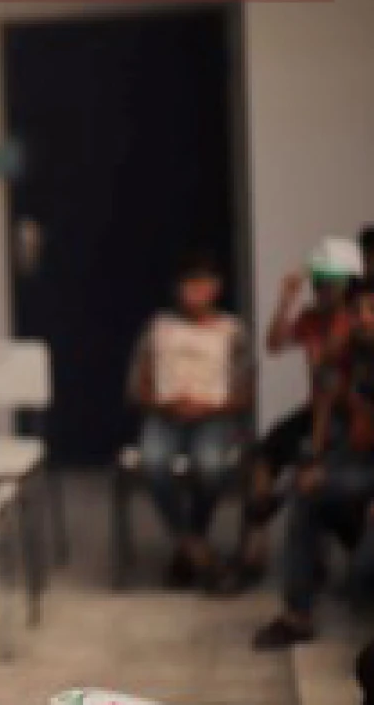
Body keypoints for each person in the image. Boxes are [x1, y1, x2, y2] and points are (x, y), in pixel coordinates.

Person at [223, 238, 363, 593]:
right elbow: (273, 343)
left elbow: (335, 383)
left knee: (313, 477)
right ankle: (253, 553)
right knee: (265, 455)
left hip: (351, 415)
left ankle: (326, 562)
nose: (322, 289)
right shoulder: (312, 317)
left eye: (330, 283)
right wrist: (286, 299)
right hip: (317, 408)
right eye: (319, 282)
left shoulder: (358, 321)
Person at [253, 278, 374, 649]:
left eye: (373, 310)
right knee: (305, 492)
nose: (366, 318)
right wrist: (316, 460)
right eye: (358, 311)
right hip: (357, 457)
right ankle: (298, 615)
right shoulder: (344, 356)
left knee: (362, 577)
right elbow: (322, 406)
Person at [128, 252, 253, 591]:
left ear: (217, 288)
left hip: (214, 415)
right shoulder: (159, 328)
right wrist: (165, 403)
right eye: (189, 285)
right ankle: (194, 545)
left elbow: (246, 393)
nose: (196, 293)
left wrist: (207, 407)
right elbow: (137, 386)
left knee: (211, 465)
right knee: (153, 461)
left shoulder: (233, 331)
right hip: (165, 414)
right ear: (177, 289)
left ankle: (188, 547)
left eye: (203, 285)